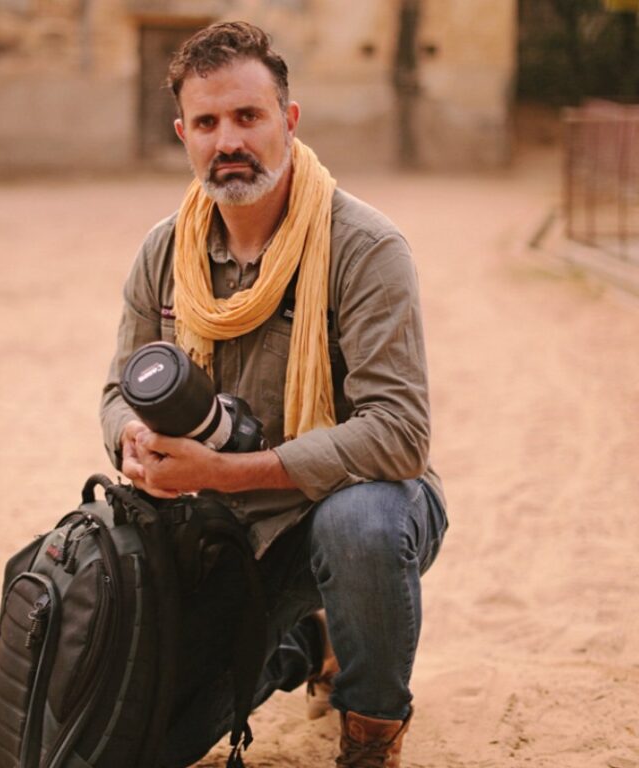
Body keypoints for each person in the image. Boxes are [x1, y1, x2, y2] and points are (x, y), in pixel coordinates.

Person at [100, 20, 447, 768]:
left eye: (248, 117)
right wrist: (130, 436)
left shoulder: (365, 247)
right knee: (154, 741)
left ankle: (370, 731)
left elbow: (398, 434)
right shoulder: (165, 251)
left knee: (362, 525)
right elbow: (115, 391)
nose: (229, 140)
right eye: (207, 122)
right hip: (224, 528)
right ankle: (302, 643)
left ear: (287, 121)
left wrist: (227, 471)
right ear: (184, 135)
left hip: (349, 504)